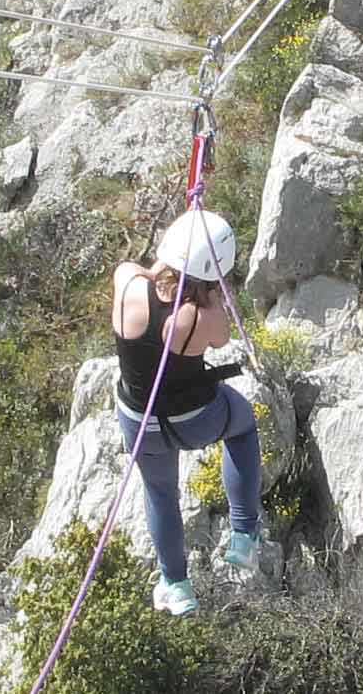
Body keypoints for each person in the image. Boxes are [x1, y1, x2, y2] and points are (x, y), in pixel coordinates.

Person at [111, 210, 259, 615]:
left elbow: (135, 269)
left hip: (141, 423)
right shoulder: (203, 316)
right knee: (243, 425)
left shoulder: (128, 287)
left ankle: (176, 585)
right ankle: (244, 535)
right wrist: (207, 291)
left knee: (160, 493)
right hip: (194, 419)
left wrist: (166, 263)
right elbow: (221, 338)